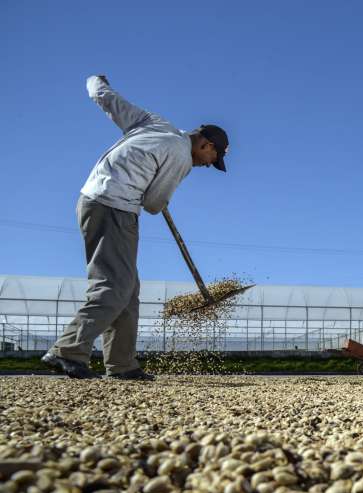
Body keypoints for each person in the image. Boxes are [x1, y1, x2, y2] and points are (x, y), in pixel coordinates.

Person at [42, 75, 229, 380]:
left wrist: (96, 82)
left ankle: (122, 365)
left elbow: (108, 100)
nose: (209, 164)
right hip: (116, 209)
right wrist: (160, 193)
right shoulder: (181, 157)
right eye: (213, 157)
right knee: (114, 285)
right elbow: (154, 204)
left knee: (128, 288)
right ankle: (68, 350)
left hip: (94, 199)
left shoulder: (155, 123)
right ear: (206, 144)